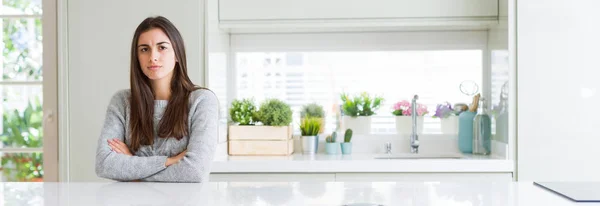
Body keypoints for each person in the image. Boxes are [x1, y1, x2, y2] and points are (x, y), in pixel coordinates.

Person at [95, 16, 218, 182]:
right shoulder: (122, 102)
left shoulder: (202, 101)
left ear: (177, 54)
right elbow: (104, 164)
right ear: (137, 57)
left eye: (162, 47)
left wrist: (133, 171)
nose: (153, 57)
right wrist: (168, 161)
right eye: (144, 49)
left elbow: (195, 171)